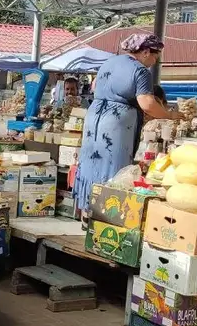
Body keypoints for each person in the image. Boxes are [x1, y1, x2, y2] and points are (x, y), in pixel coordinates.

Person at [72, 33, 182, 212]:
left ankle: (87, 210)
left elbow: (95, 88)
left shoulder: (109, 62)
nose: (155, 61)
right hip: (116, 122)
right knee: (114, 167)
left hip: (94, 117)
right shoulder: (140, 70)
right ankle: (107, 211)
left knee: (91, 162)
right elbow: (147, 104)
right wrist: (170, 115)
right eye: (155, 56)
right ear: (145, 52)